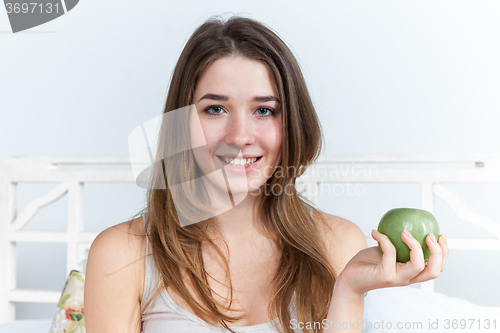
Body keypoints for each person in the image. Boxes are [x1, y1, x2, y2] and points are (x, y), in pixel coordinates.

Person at [84, 15, 449, 333]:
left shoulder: (338, 245)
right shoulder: (122, 254)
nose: (240, 136)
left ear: (292, 123)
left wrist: (350, 289)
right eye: (215, 109)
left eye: (264, 111)